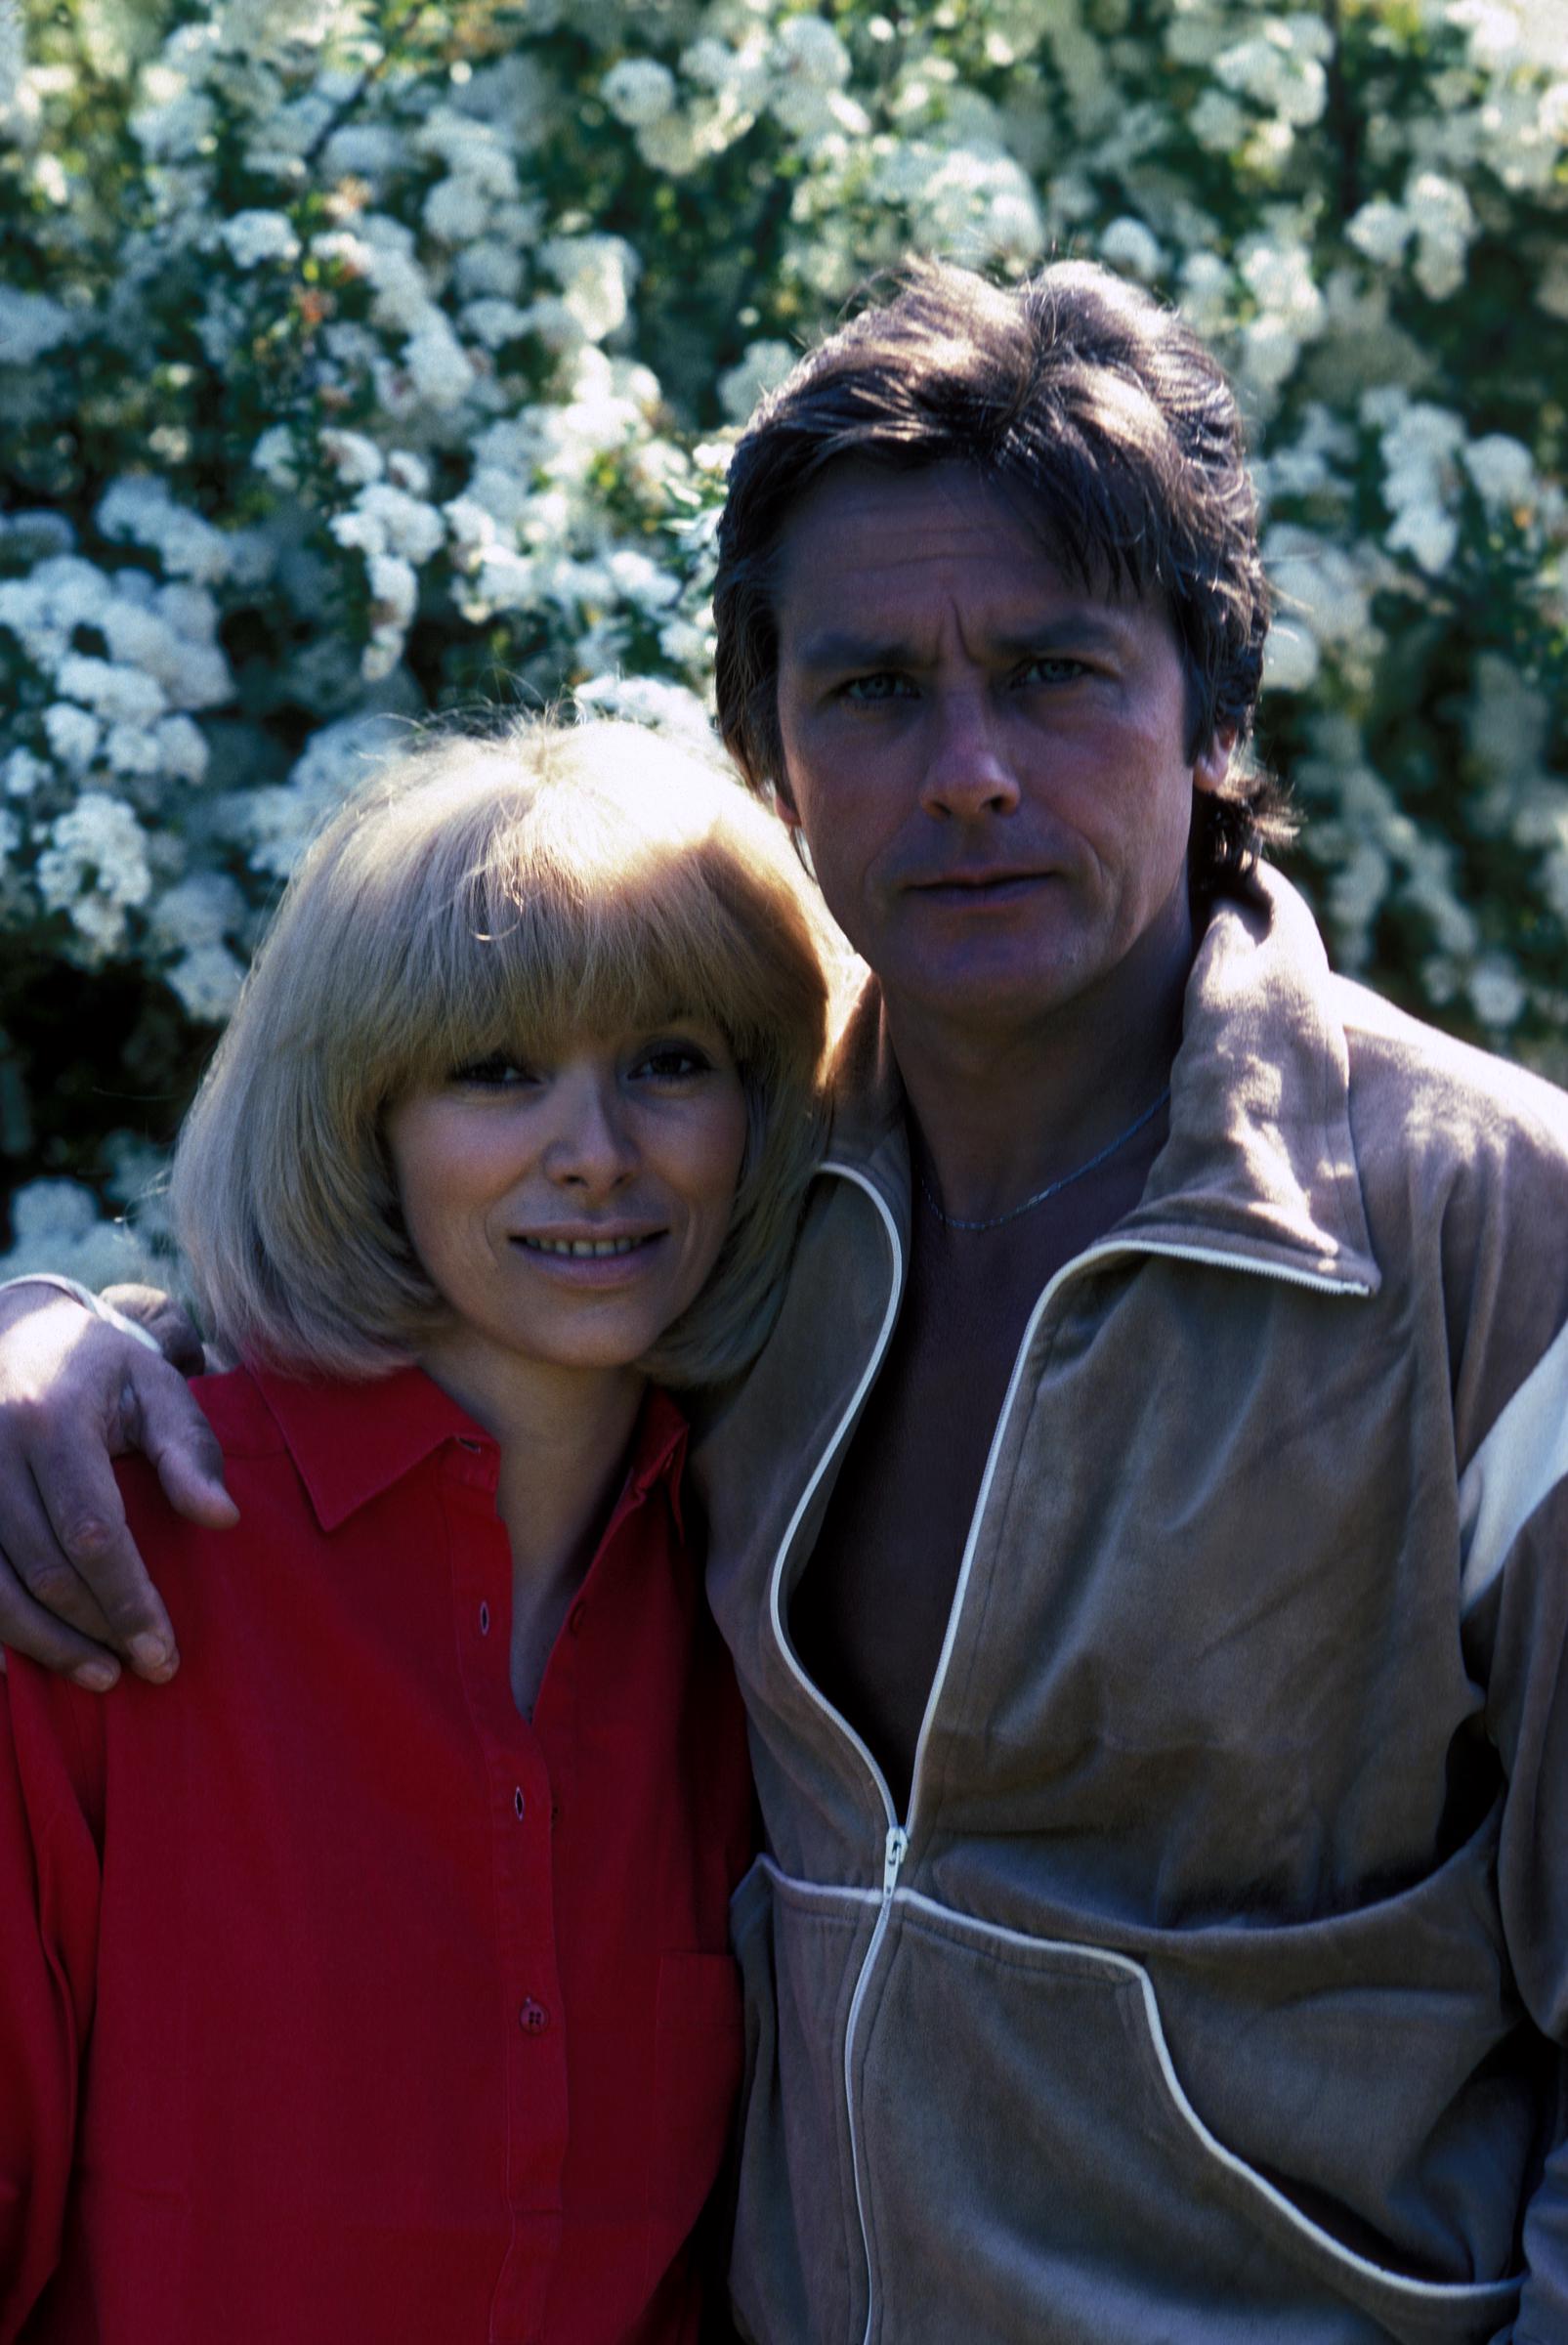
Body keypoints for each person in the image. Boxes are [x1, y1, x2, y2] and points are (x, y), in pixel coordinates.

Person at [1, 258, 1565, 2342]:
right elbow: (401, 1277)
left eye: (1055, 671)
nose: (971, 769)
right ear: (770, 746)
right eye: (869, 692)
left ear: (1211, 704)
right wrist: (60, 1334)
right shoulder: (739, 1188)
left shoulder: (1486, 1237)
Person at [0, 713, 835, 2343]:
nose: (595, 1157)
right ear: (366, 1115)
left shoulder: (772, 1599)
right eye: (497, 1071)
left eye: (669, 1062)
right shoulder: (103, 1559)